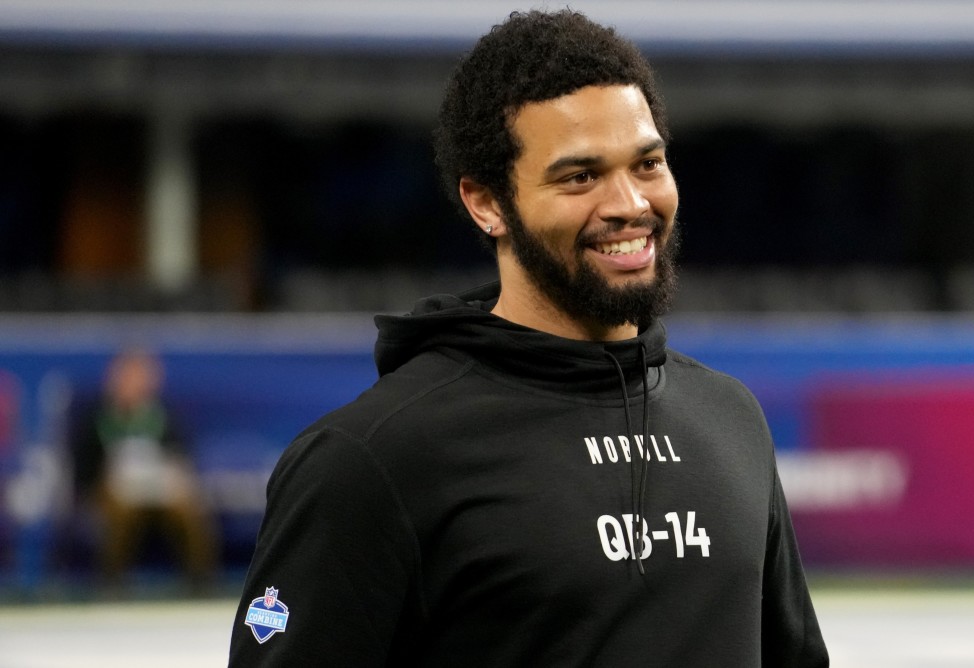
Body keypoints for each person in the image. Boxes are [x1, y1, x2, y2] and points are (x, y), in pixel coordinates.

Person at [229, 9, 828, 666]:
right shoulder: (373, 459)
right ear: (486, 203)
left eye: (648, 163)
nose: (629, 201)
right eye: (580, 176)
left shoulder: (730, 417)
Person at [70, 347, 218, 591]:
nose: (134, 384)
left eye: (140, 377)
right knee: (123, 513)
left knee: (187, 507)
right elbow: (83, 466)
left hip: (158, 487)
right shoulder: (96, 416)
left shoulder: (165, 416)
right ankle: (111, 582)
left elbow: (182, 456)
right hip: (113, 491)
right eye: (128, 377)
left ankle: (200, 580)